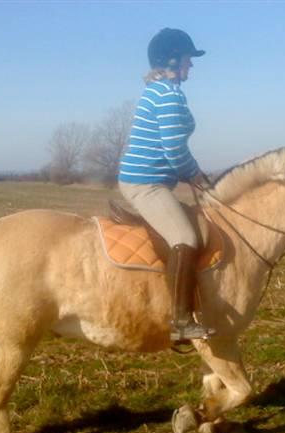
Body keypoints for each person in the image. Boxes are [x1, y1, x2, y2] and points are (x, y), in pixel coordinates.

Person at [118, 28, 214, 342]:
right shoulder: (168, 94)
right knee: (185, 237)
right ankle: (180, 321)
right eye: (188, 58)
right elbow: (174, 148)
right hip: (146, 184)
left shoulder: (162, 90)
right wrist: (197, 177)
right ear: (172, 59)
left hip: (154, 181)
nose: (192, 65)